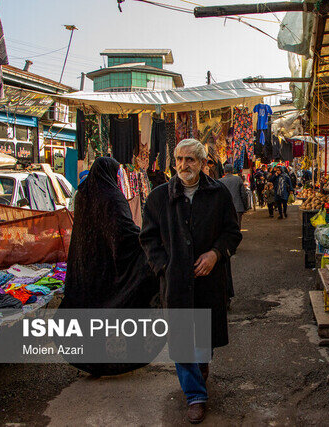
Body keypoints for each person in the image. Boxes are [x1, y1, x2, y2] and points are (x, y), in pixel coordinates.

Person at [140, 139, 242, 424]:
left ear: (202, 163)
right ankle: (195, 395)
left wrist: (215, 253)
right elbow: (148, 238)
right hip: (176, 282)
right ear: (174, 162)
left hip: (209, 280)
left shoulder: (218, 193)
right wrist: (165, 267)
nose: (184, 165)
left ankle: (201, 368)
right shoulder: (160, 197)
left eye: (191, 160)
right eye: (180, 159)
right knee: (182, 338)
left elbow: (232, 233)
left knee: (203, 336)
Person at [61, 157, 160, 376]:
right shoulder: (112, 196)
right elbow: (123, 231)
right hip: (107, 265)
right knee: (122, 306)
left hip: (86, 263)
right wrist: (146, 240)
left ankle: (91, 364)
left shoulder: (82, 194)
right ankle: (125, 358)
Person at [219, 163, 250, 228]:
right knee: (237, 227)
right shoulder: (238, 179)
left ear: (224, 171)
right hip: (238, 208)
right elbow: (243, 194)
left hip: (225, 209)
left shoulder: (220, 181)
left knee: (226, 228)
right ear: (232, 171)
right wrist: (245, 206)